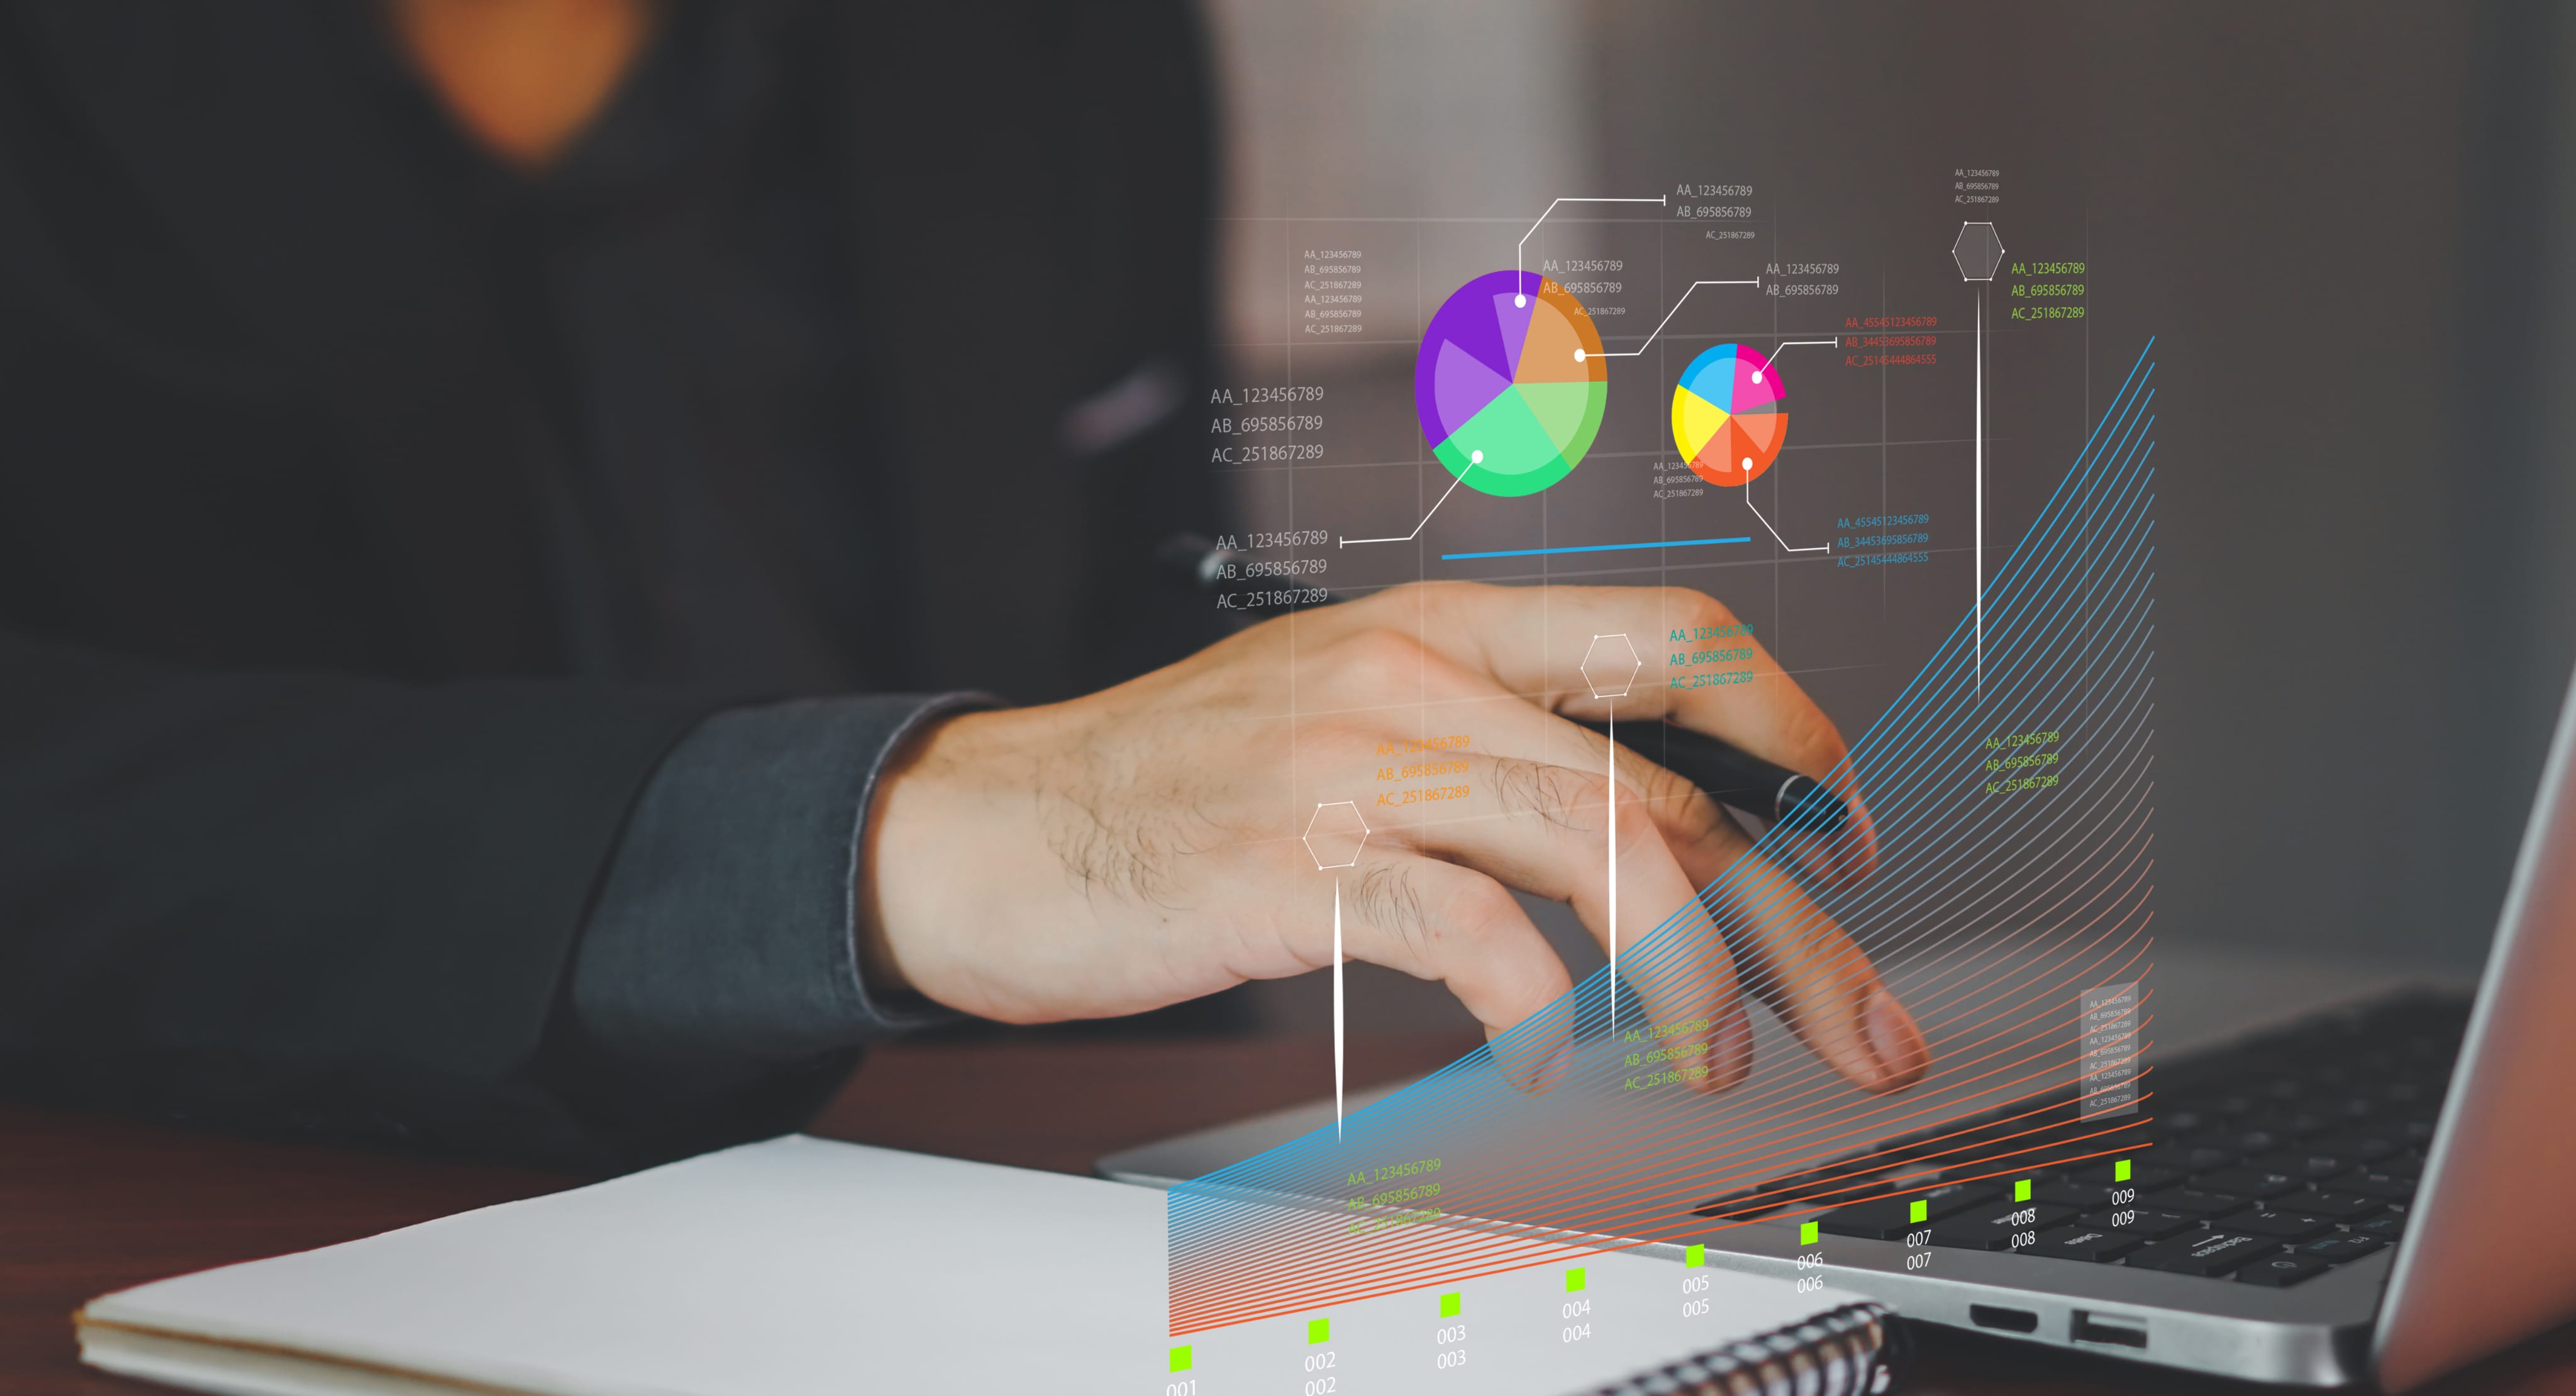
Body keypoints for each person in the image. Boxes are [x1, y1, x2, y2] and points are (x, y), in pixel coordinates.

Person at [0, 0, 1923, 1167]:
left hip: (977, 1238)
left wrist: (1407, 722)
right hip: (226, 1229)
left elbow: (1127, 639)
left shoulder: (1053, 47)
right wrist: (866, 840)